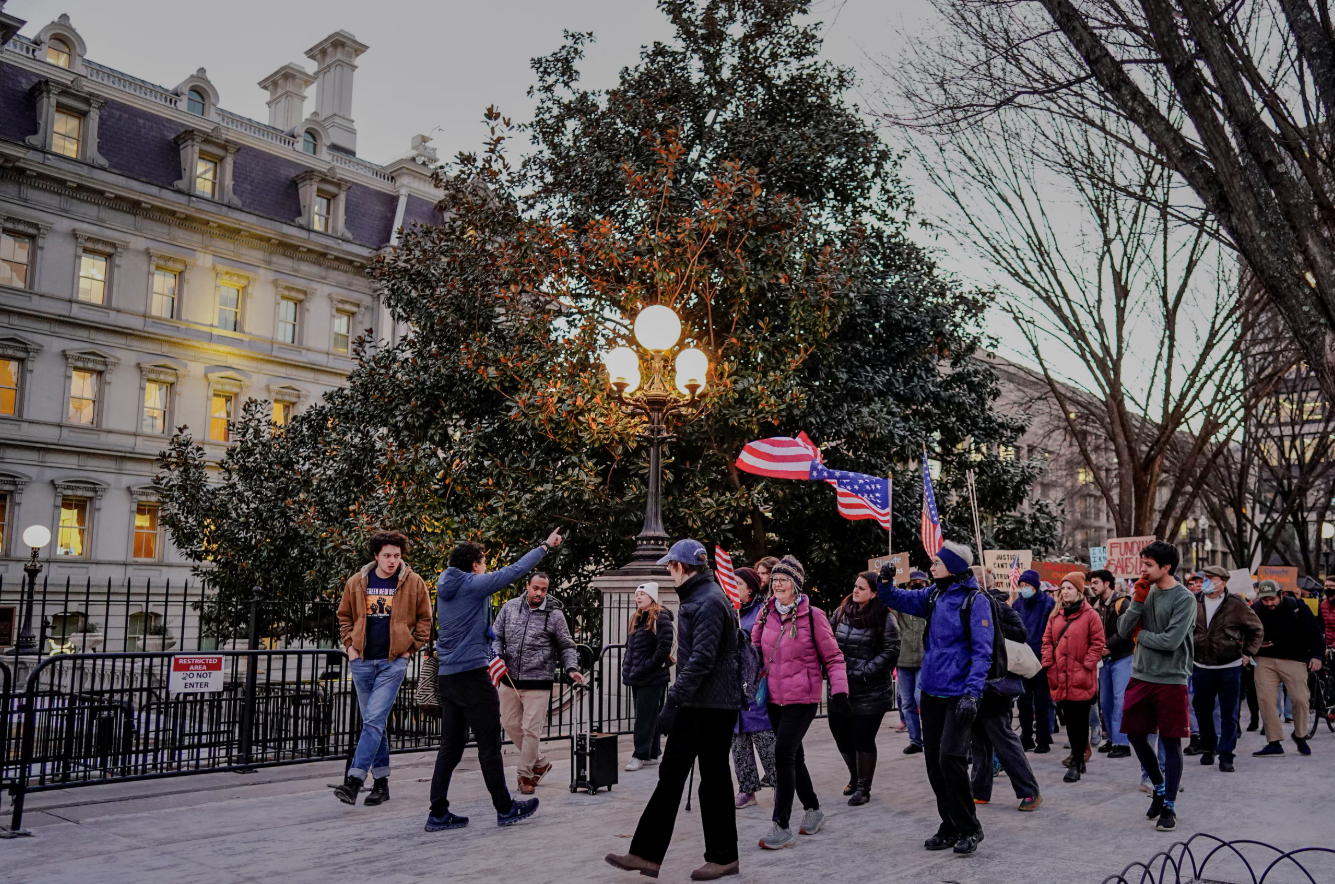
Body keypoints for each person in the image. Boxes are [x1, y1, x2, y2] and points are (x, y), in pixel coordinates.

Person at [606, 539, 742, 881]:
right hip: (697, 701)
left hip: (713, 705)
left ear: (682, 567)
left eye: (670, 566)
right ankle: (645, 855)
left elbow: (702, 660)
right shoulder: (699, 598)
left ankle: (724, 857)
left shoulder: (709, 600)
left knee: (712, 781)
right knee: (670, 776)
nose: (668, 571)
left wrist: (673, 700)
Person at [424, 529, 563, 832]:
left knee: (450, 747)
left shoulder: (445, 585)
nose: (486, 567)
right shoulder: (472, 584)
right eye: (483, 562)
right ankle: (505, 807)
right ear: (474, 565)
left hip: (448, 677)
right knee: (489, 745)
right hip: (472, 676)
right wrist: (544, 545)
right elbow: (513, 572)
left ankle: (438, 812)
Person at [877, 540, 994, 856]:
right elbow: (894, 598)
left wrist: (972, 693)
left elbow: (983, 653)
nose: (932, 567)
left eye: (937, 563)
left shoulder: (975, 601)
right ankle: (950, 824)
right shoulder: (932, 595)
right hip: (930, 692)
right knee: (933, 764)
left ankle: (970, 828)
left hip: (960, 695)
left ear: (954, 567)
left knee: (950, 759)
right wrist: (885, 580)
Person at [751, 556, 849, 848]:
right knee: (795, 757)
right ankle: (814, 810)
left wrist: (840, 692)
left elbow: (833, 657)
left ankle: (780, 824)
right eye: (776, 579)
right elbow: (755, 650)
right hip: (774, 697)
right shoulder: (765, 613)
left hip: (802, 697)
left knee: (782, 754)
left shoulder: (813, 616)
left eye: (784, 579)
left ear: (796, 584)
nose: (778, 584)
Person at [334, 530, 434, 806]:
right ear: (376, 555)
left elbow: (425, 618)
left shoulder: (414, 583)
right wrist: (350, 647)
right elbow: (344, 616)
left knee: (374, 719)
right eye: (387, 555)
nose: (392, 561)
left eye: (397, 556)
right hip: (362, 662)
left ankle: (354, 781)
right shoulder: (357, 581)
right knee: (373, 723)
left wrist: (410, 648)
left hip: (393, 662)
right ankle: (381, 783)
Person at [1117, 541, 1196, 833]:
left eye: (1149, 565)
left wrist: (1141, 634)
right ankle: (1159, 787)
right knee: (1136, 736)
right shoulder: (1143, 591)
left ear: (1166, 567)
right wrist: (1137, 601)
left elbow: (1171, 641)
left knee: (1171, 742)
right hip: (1141, 675)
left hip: (1172, 677)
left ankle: (1170, 806)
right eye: (1143, 564)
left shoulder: (1184, 598)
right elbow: (1123, 631)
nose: (1143, 570)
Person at [492, 571, 585, 794]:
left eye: (544, 589)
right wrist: (498, 658)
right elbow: (496, 637)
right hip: (509, 679)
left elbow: (566, 645)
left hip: (539, 681)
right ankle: (541, 763)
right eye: (536, 588)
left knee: (531, 730)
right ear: (527, 586)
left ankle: (524, 776)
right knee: (511, 725)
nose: (539, 593)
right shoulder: (510, 607)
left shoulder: (554, 614)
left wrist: (571, 668)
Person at [968, 578, 1043, 812]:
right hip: (972, 681)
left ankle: (1029, 790)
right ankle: (979, 790)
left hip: (995, 683)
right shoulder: (963, 605)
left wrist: (993, 625)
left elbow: (1020, 633)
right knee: (979, 739)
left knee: (1002, 738)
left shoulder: (998, 605)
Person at [829, 571, 899, 807]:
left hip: (871, 692)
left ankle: (864, 787)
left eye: (861, 588)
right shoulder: (841, 613)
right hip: (841, 687)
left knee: (863, 738)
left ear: (874, 593)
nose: (855, 591)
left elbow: (890, 652)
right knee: (841, 736)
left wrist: (863, 672)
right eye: (855, 586)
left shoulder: (885, 618)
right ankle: (854, 775)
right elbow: (827, 641)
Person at [1190, 564, 1262, 773]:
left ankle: (1227, 754)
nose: (1206, 582)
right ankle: (1208, 747)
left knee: (1229, 713)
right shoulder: (1194, 602)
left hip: (1229, 666)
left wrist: (1248, 654)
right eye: (1205, 578)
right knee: (1202, 709)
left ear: (1223, 582)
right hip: (1201, 665)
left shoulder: (1236, 604)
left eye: (1211, 579)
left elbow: (1256, 629)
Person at [1042, 572, 1106, 783]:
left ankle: (1077, 762)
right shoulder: (1055, 614)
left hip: (1081, 676)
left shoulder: (1090, 615)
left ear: (1079, 591)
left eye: (1069, 588)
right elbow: (1047, 641)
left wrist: (1086, 664)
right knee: (1070, 721)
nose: (1065, 591)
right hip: (1059, 676)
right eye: (1063, 588)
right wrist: (1048, 663)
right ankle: (1079, 757)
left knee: (1080, 721)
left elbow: (1098, 642)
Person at [1251, 579, 1324, 757]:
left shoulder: (1297, 607)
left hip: (1294, 659)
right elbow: (1247, 631)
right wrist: (1255, 647)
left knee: (1300, 698)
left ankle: (1299, 735)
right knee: (1266, 701)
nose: (1269, 604)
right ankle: (1274, 741)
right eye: (1265, 600)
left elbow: (1315, 630)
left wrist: (1317, 655)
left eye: (1272, 599)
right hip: (1265, 660)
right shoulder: (1256, 609)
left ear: (1281, 594)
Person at [732, 567, 777, 808]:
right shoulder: (729, 612)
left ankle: (781, 784)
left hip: (756, 687)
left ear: (750, 588)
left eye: (737, 584)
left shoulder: (763, 612)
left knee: (765, 740)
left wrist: (746, 642)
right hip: (732, 688)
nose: (733, 588)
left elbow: (768, 647)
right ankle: (747, 789)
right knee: (738, 744)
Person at [623, 581, 675, 773]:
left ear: (652, 597)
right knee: (648, 715)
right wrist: (627, 668)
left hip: (652, 676)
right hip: (638, 675)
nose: (638, 597)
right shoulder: (637, 618)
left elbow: (664, 647)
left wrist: (647, 667)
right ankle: (653, 752)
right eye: (637, 594)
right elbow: (631, 647)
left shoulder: (660, 618)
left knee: (644, 718)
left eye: (642, 594)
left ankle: (639, 754)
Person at [1089, 568, 1134, 759]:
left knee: (1120, 700)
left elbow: (1127, 630)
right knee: (1105, 701)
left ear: (1107, 583)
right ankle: (1111, 738)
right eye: (1091, 583)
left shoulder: (1122, 603)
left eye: (1096, 582)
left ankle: (1122, 743)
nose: (1092, 586)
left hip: (1122, 657)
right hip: (1104, 660)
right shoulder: (1094, 604)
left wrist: (1107, 646)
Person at [1013, 568, 1056, 753]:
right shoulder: (1017, 604)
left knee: (1041, 700)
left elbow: (1052, 630)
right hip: (1022, 658)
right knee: (1023, 701)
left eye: (1027, 585)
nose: (1024, 588)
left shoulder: (1049, 604)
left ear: (1036, 586)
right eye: (1021, 585)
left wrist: (1048, 655)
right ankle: (1027, 736)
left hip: (1040, 659)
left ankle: (1044, 738)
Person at [892, 571, 929, 753]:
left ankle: (929, 737)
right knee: (907, 703)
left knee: (920, 698)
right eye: (913, 582)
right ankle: (916, 741)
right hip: (903, 659)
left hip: (924, 660)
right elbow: (888, 601)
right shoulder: (902, 606)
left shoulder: (929, 604)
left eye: (921, 583)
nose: (916, 585)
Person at [1320, 577, 1335, 650]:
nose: (1328, 588)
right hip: (1328, 646)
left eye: (1331, 586)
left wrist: (1333, 646)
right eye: (1326, 586)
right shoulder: (1323, 604)